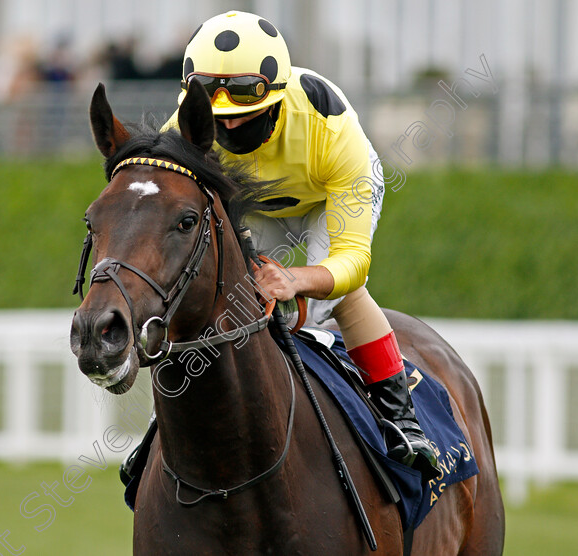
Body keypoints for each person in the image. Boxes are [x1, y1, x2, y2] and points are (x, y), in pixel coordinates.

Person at [155, 10, 438, 476]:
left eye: (242, 115)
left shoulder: (329, 124)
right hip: (259, 206)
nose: (225, 129)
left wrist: (295, 278)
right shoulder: (182, 132)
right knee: (216, 297)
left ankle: (399, 414)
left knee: (337, 295)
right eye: (214, 115)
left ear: (276, 98)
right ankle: (161, 428)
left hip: (329, 195)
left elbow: (352, 262)